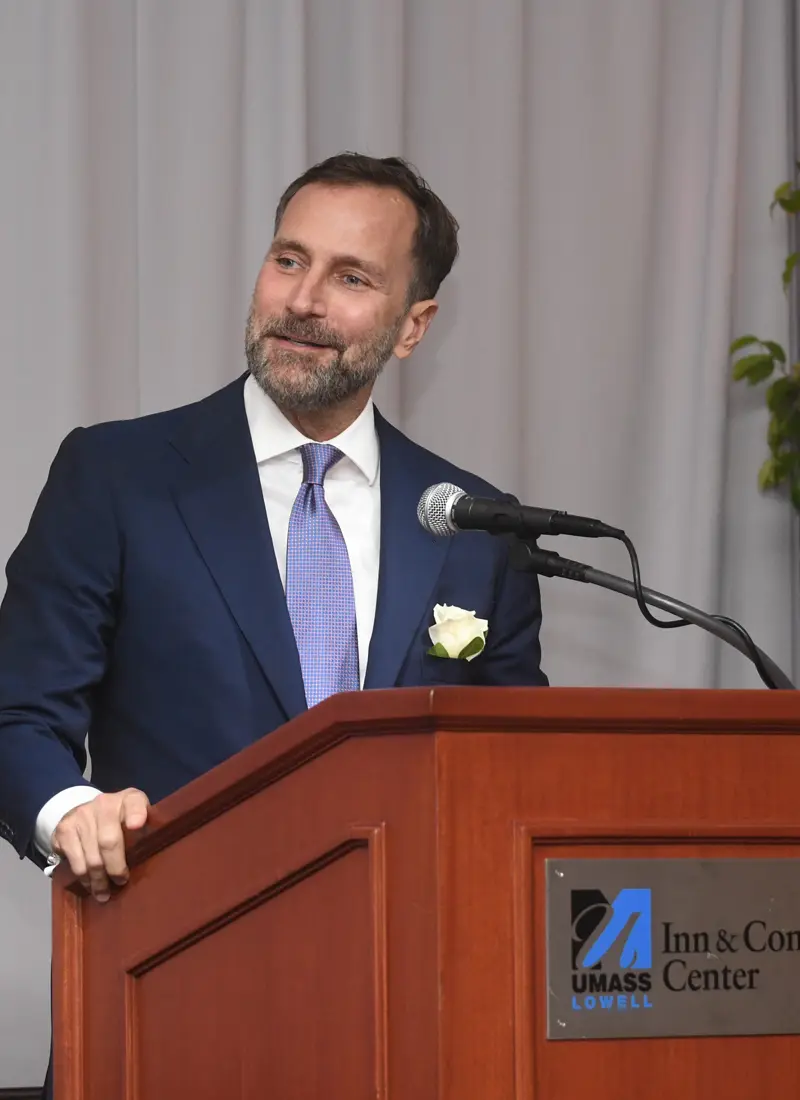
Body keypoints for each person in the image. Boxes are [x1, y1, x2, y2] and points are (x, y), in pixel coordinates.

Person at [0, 151, 546, 896]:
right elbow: (18, 714)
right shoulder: (117, 478)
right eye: (289, 260)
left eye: (351, 278)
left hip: (407, 959)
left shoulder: (475, 527)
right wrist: (72, 813)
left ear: (414, 327)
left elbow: (512, 772)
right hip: (176, 946)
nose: (304, 300)